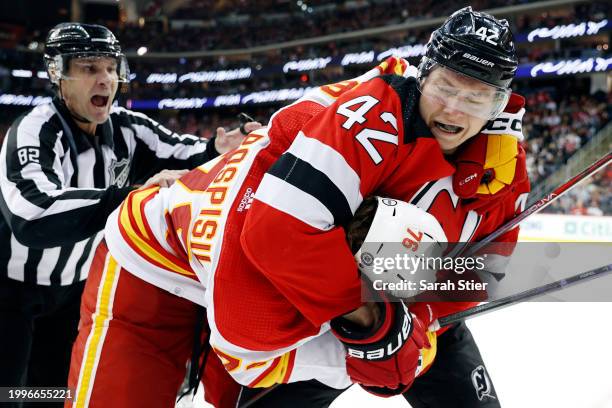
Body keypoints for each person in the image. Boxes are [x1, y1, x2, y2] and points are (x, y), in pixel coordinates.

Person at [66, 7, 529, 408]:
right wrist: (376, 330)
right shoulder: (373, 118)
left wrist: (413, 325)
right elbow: (252, 316)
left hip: (284, 271)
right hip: (158, 263)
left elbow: (472, 276)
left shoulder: (493, 162)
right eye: (445, 87)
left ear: (500, 104)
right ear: (422, 75)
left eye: (476, 98)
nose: (454, 108)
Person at [0, 22, 260, 404]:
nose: (105, 79)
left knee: (54, 391)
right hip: (10, 291)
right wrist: (127, 196)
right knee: (8, 389)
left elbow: (182, 153)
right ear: (59, 74)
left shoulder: (126, 126)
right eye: (90, 68)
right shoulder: (34, 130)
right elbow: (32, 216)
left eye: (110, 67)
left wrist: (216, 148)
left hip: (73, 289)